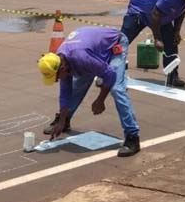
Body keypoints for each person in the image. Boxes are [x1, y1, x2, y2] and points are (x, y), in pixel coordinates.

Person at [38, 26, 141, 158]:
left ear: (62, 68)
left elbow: (109, 75)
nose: (57, 80)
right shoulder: (60, 59)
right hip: (92, 51)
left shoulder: (81, 58)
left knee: (116, 89)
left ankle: (132, 137)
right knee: (77, 87)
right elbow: (65, 93)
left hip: (115, 44)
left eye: (56, 76)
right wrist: (62, 120)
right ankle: (65, 121)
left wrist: (100, 100)